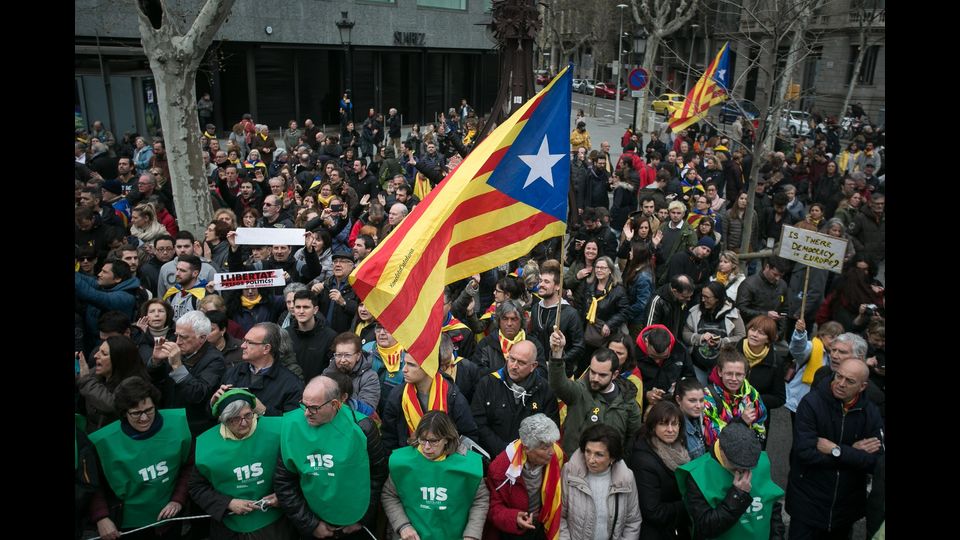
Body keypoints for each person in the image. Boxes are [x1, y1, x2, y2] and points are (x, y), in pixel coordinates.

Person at [274, 375, 388, 540]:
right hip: (313, 524)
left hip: (354, 524)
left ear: (335, 404)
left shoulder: (363, 427)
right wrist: (310, 524)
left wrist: (362, 518)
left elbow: (378, 474)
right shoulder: (291, 427)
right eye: (303, 405)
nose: (306, 413)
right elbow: (284, 482)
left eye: (313, 408)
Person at [786, 359, 883, 540]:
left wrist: (836, 450)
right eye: (839, 376)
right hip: (808, 503)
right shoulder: (811, 403)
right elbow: (805, 453)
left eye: (850, 381)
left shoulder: (870, 412)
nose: (841, 383)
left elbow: (875, 462)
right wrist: (853, 454)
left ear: (863, 387)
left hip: (845, 509)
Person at [87, 376, 193, 540]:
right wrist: (101, 517)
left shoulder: (178, 424)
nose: (144, 418)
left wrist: (178, 499)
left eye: (149, 410)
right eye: (136, 413)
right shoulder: (102, 442)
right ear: (124, 412)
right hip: (128, 523)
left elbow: (190, 466)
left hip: (171, 517)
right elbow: (92, 484)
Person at [188, 388, 294, 539]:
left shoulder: (277, 431)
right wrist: (228, 503)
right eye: (235, 419)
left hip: (274, 523)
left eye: (248, 415)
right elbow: (196, 487)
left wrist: (283, 497)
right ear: (223, 420)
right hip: (229, 526)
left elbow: (297, 472)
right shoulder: (206, 445)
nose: (244, 423)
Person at [381, 411, 489, 540]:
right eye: (423, 439)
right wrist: (403, 526)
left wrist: (472, 535)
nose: (427, 447)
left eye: (434, 441)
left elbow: (480, 500)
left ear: (446, 439)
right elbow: (389, 495)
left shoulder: (468, 465)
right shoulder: (402, 462)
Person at [676, 421, 786, 540]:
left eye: (748, 468)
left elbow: (772, 508)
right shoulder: (698, 474)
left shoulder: (760, 461)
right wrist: (737, 495)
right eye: (736, 467)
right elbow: (704, 528)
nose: (743, 472)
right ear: (722, 450)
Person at [547, 332, 643, 458]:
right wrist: (557, 353)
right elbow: (558, 384)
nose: (595, 378)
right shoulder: (579, 391)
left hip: (610, 467)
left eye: (602, 375)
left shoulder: (628, 402)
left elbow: (633, 439)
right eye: (593, 372)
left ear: (614, 375)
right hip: (575, 464)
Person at [471, 338, 559, 458]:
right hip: (493, 458)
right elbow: (478, 423)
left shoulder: (544, 390)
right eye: (512, 359)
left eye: (521, 363)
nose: (514, 366)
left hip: (529, 460)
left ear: (533, 366)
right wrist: (506, 451)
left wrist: (523, 453)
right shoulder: (487, 384)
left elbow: (551, 430)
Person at [484, 413, 565, 540]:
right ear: (527, 448)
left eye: (552, 445)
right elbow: (493, 508)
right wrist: (514, 518)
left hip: (542, 527)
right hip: (513, 533)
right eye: (545, 448)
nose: (552, 452)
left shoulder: (557, 455)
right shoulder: (501, 467)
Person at [381, 352, 479, 456]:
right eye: (405, 363)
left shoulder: (452, 397)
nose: (404, 369)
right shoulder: (397, 396)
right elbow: (389, 437)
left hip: (445, 464)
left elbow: (469, 436)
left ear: (429, 367)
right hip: (410, 464)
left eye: (411, 364)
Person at [148, 310, 226, 436]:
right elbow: (154, 384)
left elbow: (197, 394)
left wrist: (178, 367)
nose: (177, 341)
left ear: (202, 338)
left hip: (194, 428)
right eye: (177, 335)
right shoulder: (177, 348)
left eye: (183, 337)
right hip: (168, 420)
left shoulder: (215, 360)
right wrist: (155, 362)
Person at [560, 423, 642, 540]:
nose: (591, 460)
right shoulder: (569, 472)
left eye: (599, 454)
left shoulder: (626, 477)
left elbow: (632, 521)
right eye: (588, 452)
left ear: (612, 457)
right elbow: (559, 517)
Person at [627, 401, 692, 540]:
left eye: (674, 424)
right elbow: (652, 511)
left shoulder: (680, 446)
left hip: (677, 528)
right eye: (663, 424)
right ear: (653, 426)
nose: (670, 429)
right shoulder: (643, 459)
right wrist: (690, 504)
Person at [213, 322, 304, 417]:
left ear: (266, 348)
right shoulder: (233, 372)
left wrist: (264, 411)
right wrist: (214, 404)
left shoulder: (291, 383)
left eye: (249, 342)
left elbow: (292, 423)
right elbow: (216, 417)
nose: (242, 346)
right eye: (244, 340)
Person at [75, 336, 150, 433]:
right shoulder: (95, 374)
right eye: (99, 351)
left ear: (119, 360)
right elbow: (82, 380)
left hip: (119, 440)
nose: (96, 356)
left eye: (104, 353)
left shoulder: (135, 383)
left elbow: (112, 404)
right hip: (93, 437)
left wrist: (85, 380)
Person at [683, 282, 746, 385]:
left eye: (707, 297)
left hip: (723, 368)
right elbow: (685, 333)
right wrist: (700, 337)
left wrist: (721, 342)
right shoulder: (695, 312)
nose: (703, 300)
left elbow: (741, 336)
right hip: (698, 365)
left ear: (717, 298)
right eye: (702, 296)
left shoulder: (733, 314)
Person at [701, 348, 768, 446]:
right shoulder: (707, 397)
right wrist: (742, 422)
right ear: (720, 372)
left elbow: (760, 427)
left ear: (745, 374)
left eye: (739, 374)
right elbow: (713, 437)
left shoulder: (752, 393)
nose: (734, 379)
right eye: (729, 373)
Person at [785, 319, 843, 426]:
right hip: (800, 399)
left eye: (837, 339)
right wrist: (800, 334)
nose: (834, 341)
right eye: (831, 337)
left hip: (822, 403)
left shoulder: (836, 354)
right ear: (821, 335)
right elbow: (798, 349)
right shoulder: (811, 347)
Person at [634, 325, 696, 412]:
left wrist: (679, 386)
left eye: (664, 357)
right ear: (646, 342)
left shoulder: (680, 350)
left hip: (673, 405)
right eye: (652, 356)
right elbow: (627, 384)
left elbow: (691, 379)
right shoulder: (634, 354)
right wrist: (645, 394)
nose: (657, 361)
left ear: (670, 345)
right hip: (642, 408)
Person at [322, 332, 382, 412]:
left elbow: (367, 409)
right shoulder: (327, 373)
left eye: (347, 355)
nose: (342, 360)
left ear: (358, 355)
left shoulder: (370, 377)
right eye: (338, 355)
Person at [674, 378, 707, 460]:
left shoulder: (705, 419)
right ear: (678, 400)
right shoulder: (674, 428)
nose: (699, 406)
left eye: (701, 400)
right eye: (692, 401)